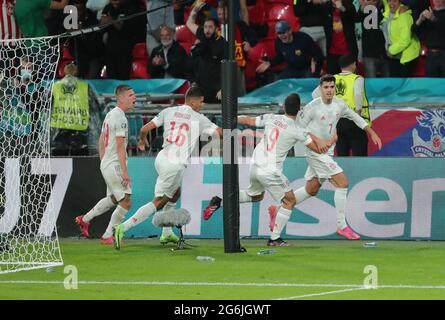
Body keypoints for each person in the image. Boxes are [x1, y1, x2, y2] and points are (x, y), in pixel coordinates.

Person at [203, 93, 336, 246]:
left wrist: (231, 120)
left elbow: (249, 120)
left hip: (255, 165)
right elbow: (318, 149)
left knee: (255, 196)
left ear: (284, 107)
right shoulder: (297, 129)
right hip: (270, 170)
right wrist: (332, 140)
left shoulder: (271, 118)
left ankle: (219, 200)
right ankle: (275, 239)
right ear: (299, 110)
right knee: (289, 200)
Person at [270, 74, 382, 240]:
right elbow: (299, 127)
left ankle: (278, 208)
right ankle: (342, 226)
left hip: (327, 151)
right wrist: (317, 140)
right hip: (315, 151)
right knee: (342, 183)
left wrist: (371, 131)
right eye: (326, 87)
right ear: (320, 89)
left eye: (331, 87)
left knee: (311, 189)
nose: (329, 90)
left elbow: (355, 116)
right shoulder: (312, 107)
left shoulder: (339, 104)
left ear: (335, 88)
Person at [113, 86, 222, 250]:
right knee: (158, 201)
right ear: (193, 101)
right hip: (174, 164)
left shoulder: (169, 111)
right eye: (201, 101)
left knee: (175, 193)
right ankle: (123, 228)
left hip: (162, 157)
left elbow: (144, 129)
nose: (202, 104)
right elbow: (218, 132)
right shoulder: (199, 118)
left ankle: (166, 232)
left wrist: (142, 140)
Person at [75, 85, 136, 244]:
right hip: (115, 164)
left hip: (108, 163)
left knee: (113, 199)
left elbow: (101, 140)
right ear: (121, 98)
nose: (134, 98)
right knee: (126, 201)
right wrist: (124, 171)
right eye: (131, 95)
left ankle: (84, 219)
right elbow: (121, 146)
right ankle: (108, 235)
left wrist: (104, 161)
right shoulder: (120, 117)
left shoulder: (110, 115)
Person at [312, 54, 371, 156]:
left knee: (342, 155)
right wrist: (357, 113)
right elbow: (357, 94)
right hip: (353, 119)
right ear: (353, 65)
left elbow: (315, 94)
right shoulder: (357, 78)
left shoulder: (333, 78)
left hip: (337, 121)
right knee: (360, 156)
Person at [256, 20, 324, 79]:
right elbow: (280, 57)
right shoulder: (278, 42)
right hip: (292, 68)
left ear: (290, 31)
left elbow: (318, 53)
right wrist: (270, 63)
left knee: (309, 82)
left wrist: (315, 61)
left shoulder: (303, 38)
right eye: (279, 33)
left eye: (284, 32)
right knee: (280, 82)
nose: (282, 35)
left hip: (307, 67)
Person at [50, 63, 93, 156]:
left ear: (64, 72)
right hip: (79, 125)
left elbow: (48, 105)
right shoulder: (85, 86)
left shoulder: (55, 86)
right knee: (80, 159)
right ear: (76, 72)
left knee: (60, 158)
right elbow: (94, 104)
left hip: (60, 125)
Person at [187, 0, 225, 103]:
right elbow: (189, 23)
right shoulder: (201, 35)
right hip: (201, 89)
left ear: (216, 28)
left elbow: (226, 69)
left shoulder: (222, 43)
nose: (207, 30)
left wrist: (223, 89)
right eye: (205, 27)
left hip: (216, 90)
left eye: (210, 27)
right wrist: (196, 8)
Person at [381, 0, 420, 77]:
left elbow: (405, 40)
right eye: (389, 1)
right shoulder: (388, 14)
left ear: (400, 3)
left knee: (403, 87)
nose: (391, 3)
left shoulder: (404, 16)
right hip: (393, 54)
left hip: (405, 56)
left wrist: (390, 50)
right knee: (395, 85)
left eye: (395, 1)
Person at [413, 0, 445, 77]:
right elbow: (414, 33)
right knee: (431, 83)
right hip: (430, 55)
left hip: (444, 54)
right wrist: (420, 20)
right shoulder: (427, 13)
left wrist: (433, 19)